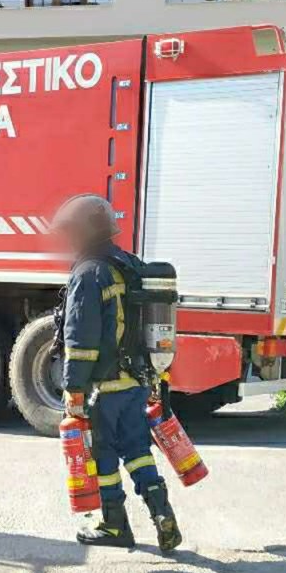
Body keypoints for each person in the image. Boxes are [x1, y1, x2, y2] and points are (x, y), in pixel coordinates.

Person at [52, 194, 182, 551]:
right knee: (138, 449)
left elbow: (80, 338)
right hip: (136, 382)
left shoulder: (88, 273)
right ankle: (162, 513)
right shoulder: (130, 264)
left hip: (104, 388)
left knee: (103, 455)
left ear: (83, 231)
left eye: (70, 233)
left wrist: (74, 387)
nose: (68, 240)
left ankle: (114, 525)